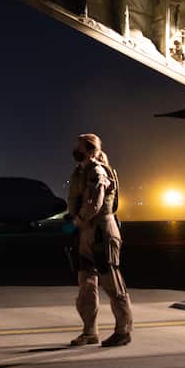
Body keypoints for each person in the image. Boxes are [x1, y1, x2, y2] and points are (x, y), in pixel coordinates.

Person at [67, 134, 133, 347]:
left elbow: (95, 203)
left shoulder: (97, 171)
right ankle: (89, 332)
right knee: (86, 284)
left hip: (100, 231)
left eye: (79, 146)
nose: (75, 149)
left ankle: (123, 330)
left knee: (112, 282)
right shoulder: (82, 171)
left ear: (89, 148)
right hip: (87, 232)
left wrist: (77, 220)